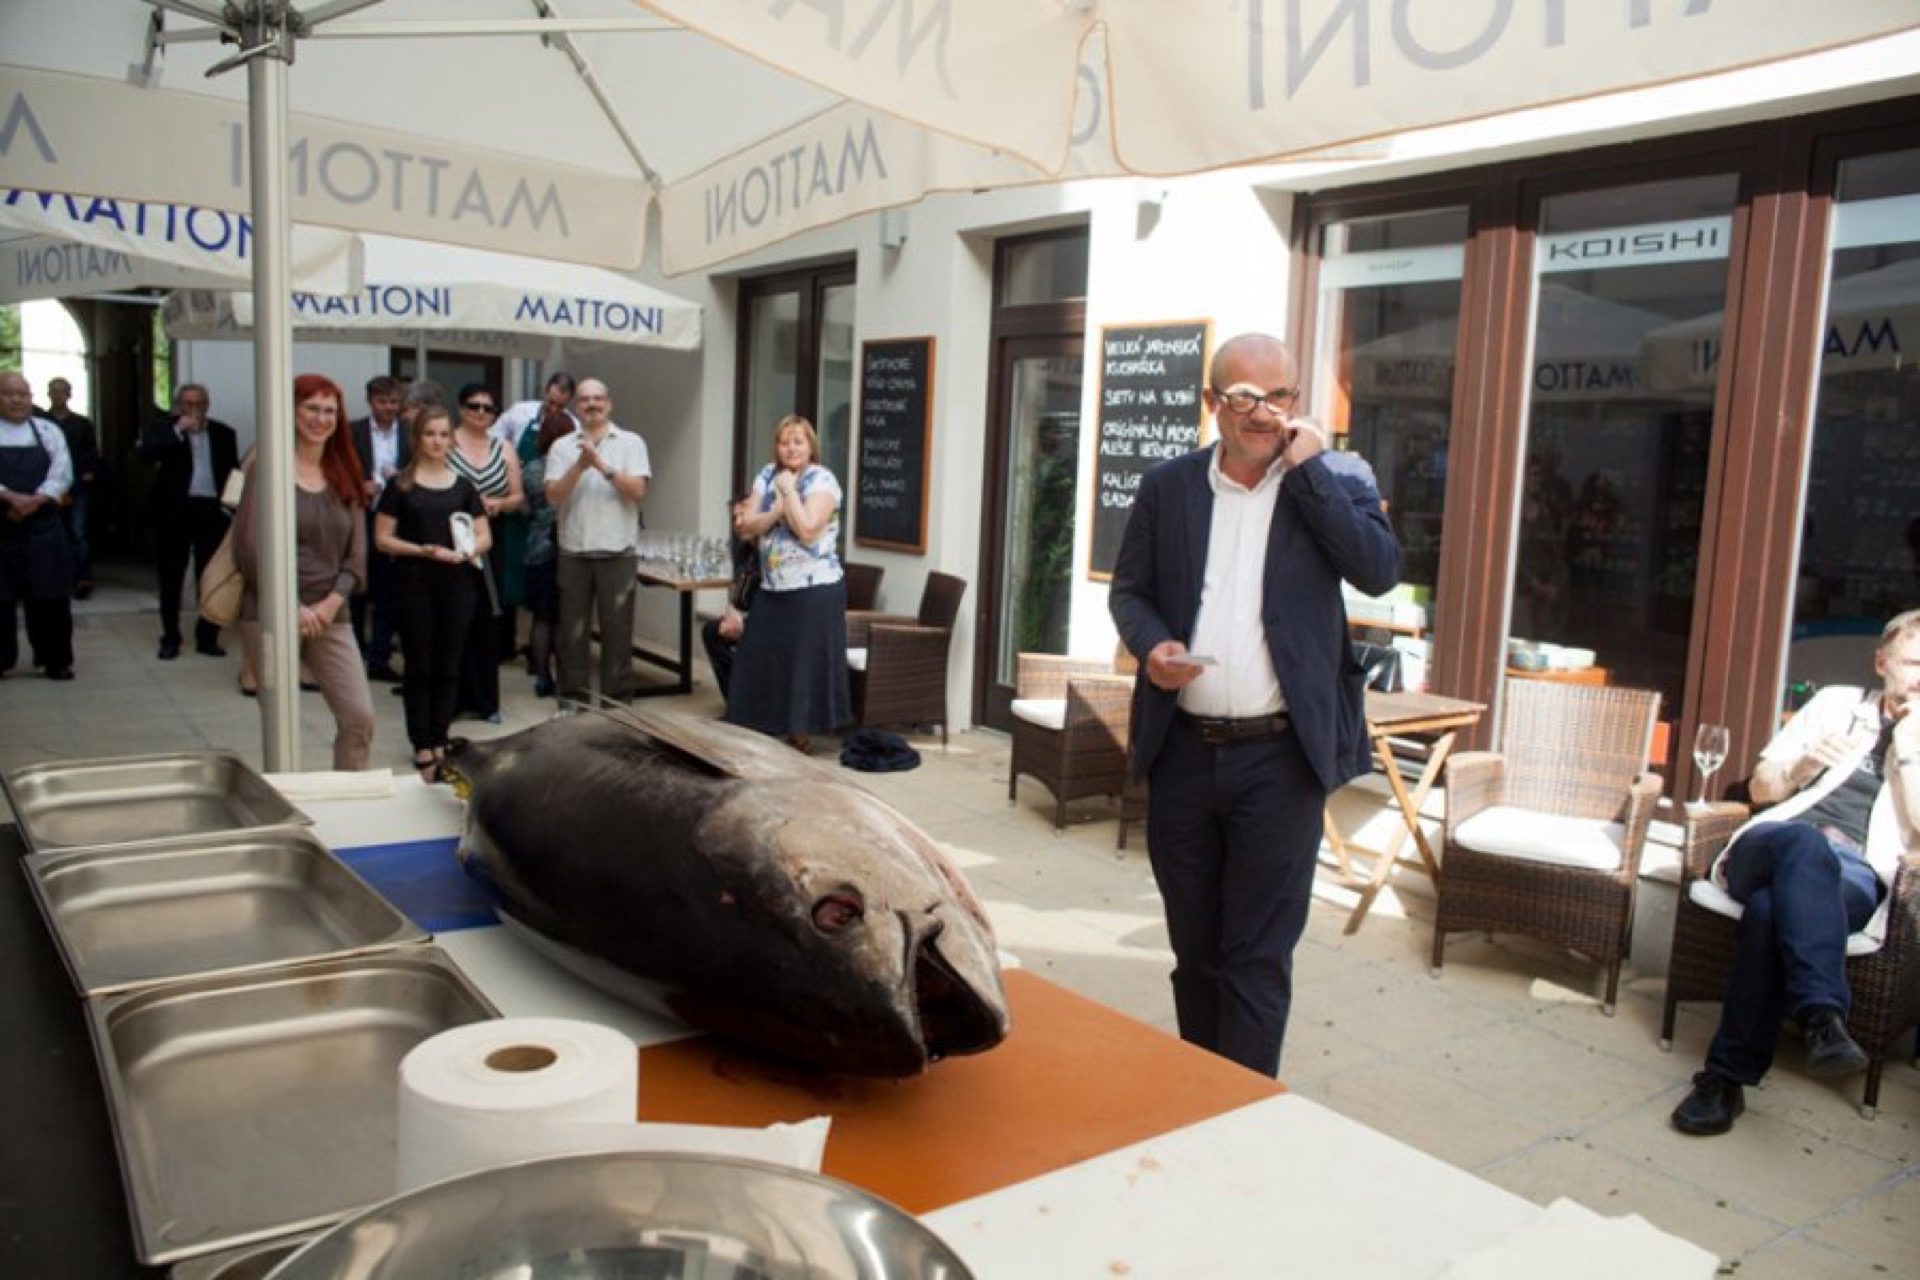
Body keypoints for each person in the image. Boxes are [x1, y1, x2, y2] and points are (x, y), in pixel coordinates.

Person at [1109, 332, 1401, 1077]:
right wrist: (1153, 649)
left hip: (1279, 759)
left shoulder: (1334, 481)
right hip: (1183, 751)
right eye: (1244, 396)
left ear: (1297, 405)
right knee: (1196, 952)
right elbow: (1131, 591)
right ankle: (1196, 1093)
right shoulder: (1168, 486)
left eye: (1279, 398)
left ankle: (1240, 1117)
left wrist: (1309, 474)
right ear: (1214, 404)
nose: (1263, 413)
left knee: (1258, 959)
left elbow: (1375, 572)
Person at [1670, 610, 1920, 1136]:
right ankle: (1822, 1010)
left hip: (1853, 874)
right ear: (1882, 663)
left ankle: (1724, 1081)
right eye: (1912, 663)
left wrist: (1909, 749)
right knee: (1806, 845)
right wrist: (1803, 767)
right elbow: (1761, 790)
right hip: (1775, 842)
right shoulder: (1836, 704)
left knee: (1768, 911)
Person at [231, 374, 376, 771]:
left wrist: (329, 605)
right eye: (311, 408)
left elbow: (358, 555)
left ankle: (350, 802)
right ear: (293, 411)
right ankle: (289, 808)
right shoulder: (269, 466)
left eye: (329, 410)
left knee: (359, 718)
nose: (321, 418)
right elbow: (249, 548)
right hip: (271, 614)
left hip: (332, 614)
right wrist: (291, 606)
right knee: (280, 730)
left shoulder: (344, 470)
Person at [374, 404, 490, 782]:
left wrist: (467, 551)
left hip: (458, 586)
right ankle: (421, 741)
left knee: (449, 663)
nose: (437, 441)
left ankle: (441, 736)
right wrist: (421, 550)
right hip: (414, 585)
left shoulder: (463, 487)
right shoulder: (401, 486)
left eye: (443, 434)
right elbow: (382, 539)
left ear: (451, 439)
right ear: (417, 438)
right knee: (419, 664)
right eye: (430, 434)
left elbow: (484, 534)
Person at [723, 415, 851, 751]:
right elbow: (746, 526)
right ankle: (755, 725)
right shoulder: (766, 474)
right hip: (773, 588)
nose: (791, 448)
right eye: (784, 442)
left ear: (811, 447)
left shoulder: (823, 479)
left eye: (798, 441)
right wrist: (777, 510)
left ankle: (799, 737)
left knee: (802, 666)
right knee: (755, 657)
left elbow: (808, 529)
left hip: (815, 591)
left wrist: (789, 494)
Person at [545, 377, 650, 701]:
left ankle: (618, 709)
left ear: (609, 403)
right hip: (574, 552)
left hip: (617, 553)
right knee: (571, 636)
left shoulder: (631, 443)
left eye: (598, 399)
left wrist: (603, 466)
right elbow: (553, 497)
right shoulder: (562, 446)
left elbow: (637, 492)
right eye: (585, 399)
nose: (592, 404)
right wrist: (580, 465)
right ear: (577, 406)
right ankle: (573, 702)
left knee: (618, 636)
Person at [138, 382, 238, 660]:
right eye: (188, 404)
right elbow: (145, 456)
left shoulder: (223, 433)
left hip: (210, 512)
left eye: (199, 404)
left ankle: (207, 636)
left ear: (207, 405)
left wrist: (231, 507)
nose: (194, 410)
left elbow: (233, 472)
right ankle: (170, 636)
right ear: (178, 405)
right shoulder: (163, 429)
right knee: (171, 577)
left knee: (211, 576)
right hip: (173, 512)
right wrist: (177, 431)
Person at [446, 382, 523, 723]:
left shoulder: (503, 447)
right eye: (473, 406)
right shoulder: (444, 442)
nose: (480, 413)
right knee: (452, 617)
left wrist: (498, 503)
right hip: (450, 538)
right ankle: (450, 700)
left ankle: (486, 701)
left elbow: (518, 497)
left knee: (487, 617)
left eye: (487, 408)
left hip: (492, 538)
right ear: (461, 408)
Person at [0, 372, 76, 680]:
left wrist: (34, 500)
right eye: (9, 394)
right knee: (0, 597)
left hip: (42, 525)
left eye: (23, 394)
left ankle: (55, 659)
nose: (17, 400)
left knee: (51, 594)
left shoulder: (48, 431)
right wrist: (8, 497)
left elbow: (62, 472)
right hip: (1, 527)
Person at [350, 374, 410, 680]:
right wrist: (360, 487)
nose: (389, 408)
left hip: (397, 522)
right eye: (383, 402)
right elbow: (338, 472)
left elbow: (420, 473)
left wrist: (400, 477)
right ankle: (355, 651)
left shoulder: (411, 434)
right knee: (357, 588)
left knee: (389, 592)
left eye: (394, 402)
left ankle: (379, 658)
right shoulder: (353, 432)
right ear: (370, 401)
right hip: (361, 516)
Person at [519, 409, 573, 698]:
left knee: (542, 617)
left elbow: (524, 508)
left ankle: (542, 677)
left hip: (536, 547)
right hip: (567, 547)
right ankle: (566, 676)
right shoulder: (572, 468)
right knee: (566, 617)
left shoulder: (530, 469)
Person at [701, 488, 760, 700]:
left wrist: (745, 624)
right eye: (735, 517)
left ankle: (750, 704)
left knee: (752, 638)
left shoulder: (771, 550)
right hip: (748, 620)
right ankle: (736, 702)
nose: (738, 522)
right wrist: (731, 614)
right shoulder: (744, 550)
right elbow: (736, 589)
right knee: (711, 631)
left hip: (770, 624)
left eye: (743, 515)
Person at [44, 377, 98, 600]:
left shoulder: (82, 424)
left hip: (77, 486)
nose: (58, 395)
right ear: (49, 394)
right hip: (47, 487)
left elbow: (91, 452)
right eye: (54, 391)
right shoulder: (40, 423)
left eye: (62, 391)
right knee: (50, 533)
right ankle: (52, 579)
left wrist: (89, 473)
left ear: (69, 394)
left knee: (79, 533)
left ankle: (82, 578)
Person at [493, 371, 578, 454]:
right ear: (545, 393)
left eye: (560, 406)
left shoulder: (573, 425)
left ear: (569, 401)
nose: (554, 409)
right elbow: (495, 435)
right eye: (551, 402)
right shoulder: (520, 410)